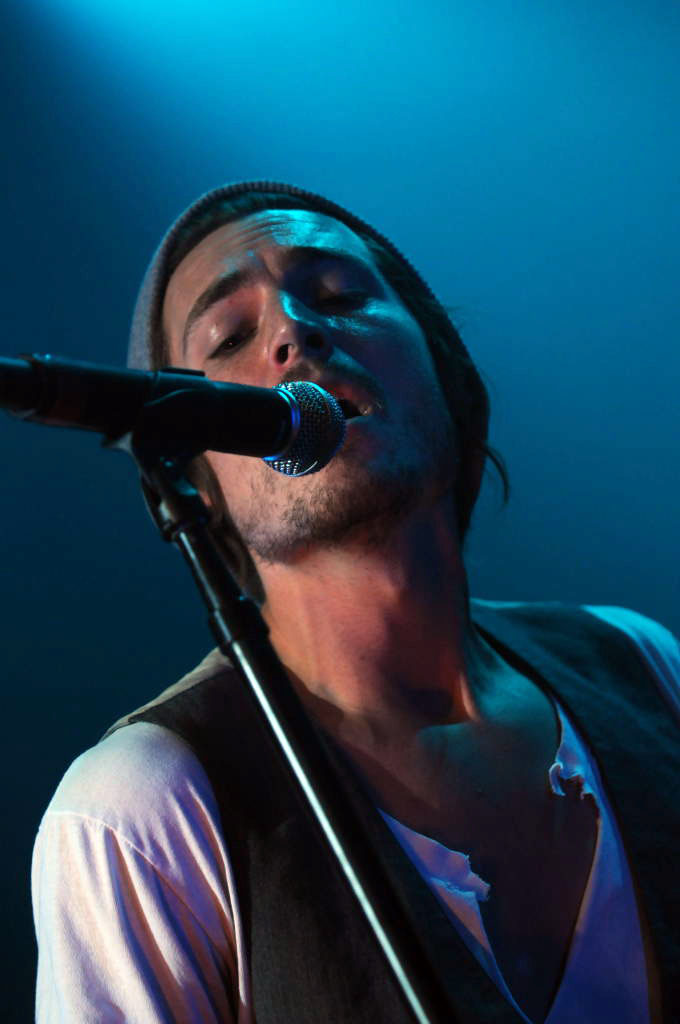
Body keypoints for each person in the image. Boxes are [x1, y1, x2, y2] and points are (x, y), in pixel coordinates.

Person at [31, 182, 680, 1023]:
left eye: (339, 295)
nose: (293, 331)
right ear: (197, 476)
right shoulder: (141, 811)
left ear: (445, 372)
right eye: (229, 336)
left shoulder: (641, 664)